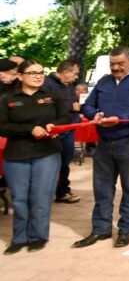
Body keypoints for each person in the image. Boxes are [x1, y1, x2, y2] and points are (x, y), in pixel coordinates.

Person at [74, 46, 129, 249]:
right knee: (101, 189)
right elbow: (87, 106)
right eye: (112, 64)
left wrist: (119, 120)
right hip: (104, 143)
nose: (116, 68)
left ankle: (125, 230)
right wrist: (95, 115)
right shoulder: (103, 82)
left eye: (120, 63)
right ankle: (100, 229)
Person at [0, 60, 68, 254]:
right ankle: (19, 238)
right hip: (17, 154)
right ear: (20, 76)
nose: (38, 76)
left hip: (47, 153)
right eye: (32, 73)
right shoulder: (8, 99)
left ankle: (38, 236)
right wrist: (29, 129)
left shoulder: (51, 96)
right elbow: (2, 125)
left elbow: (65, 118)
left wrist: (54, 126)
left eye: (41, 72)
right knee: (20, 198)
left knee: (41, 196)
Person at [44, 59, 81, 204]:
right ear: (66, 72)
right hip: (54, 130)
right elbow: (48, 107)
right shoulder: (47, 84)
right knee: (50, 163)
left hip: (69, 130)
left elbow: (72, 104)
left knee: (65, 162)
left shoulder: (70, 86)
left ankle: (63, 191)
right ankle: (45, 193)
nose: (77, 77)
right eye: (75, 74)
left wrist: (77, 108)